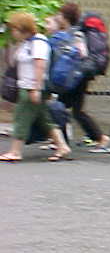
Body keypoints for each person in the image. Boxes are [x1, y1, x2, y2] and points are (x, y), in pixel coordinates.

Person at [0, 12, 71, 162]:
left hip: (32, 87)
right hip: (28, 86)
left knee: (21, 117)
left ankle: (15, 151)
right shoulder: (27, 42)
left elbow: (40, 66)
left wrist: (36, 88)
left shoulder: (38, 43)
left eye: (14, 30)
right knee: (44, 118)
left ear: (22, 29)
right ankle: (62, 146)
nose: (12, 33)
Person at [56, 3, 110, 153]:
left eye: (59, 15)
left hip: (78, 73)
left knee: (64, 107)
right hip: (79, 73)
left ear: (64, 17)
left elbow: (80, 53)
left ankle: (98, 138)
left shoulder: (76, 33)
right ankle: (62, 141)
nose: (57, 17)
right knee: (69, 108)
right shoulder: (76, 30)